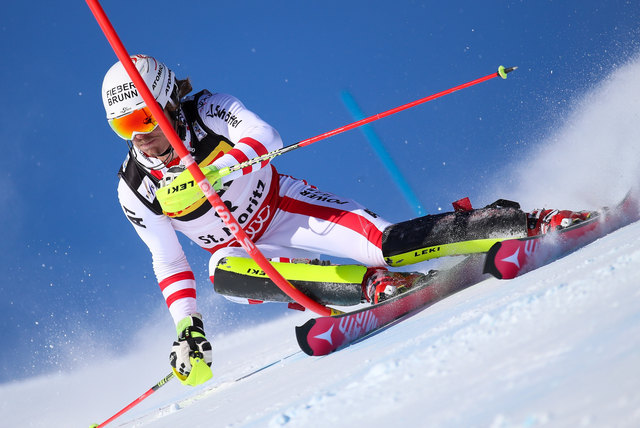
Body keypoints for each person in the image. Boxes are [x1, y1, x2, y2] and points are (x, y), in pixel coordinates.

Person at [102, 54, 590, 386]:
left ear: (168, 103)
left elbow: (264, 136)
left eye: (146, 118)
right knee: (219, 272)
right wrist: (188, 326)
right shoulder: (134, 187)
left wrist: (219, 168)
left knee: (388, 243)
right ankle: (374, 287)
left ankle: (523, 222)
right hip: (248, 254)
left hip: (285, 210)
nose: (140, 136)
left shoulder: (210, 110)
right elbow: (167, 258)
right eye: (125, 126)